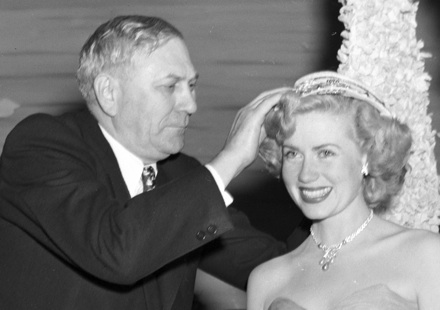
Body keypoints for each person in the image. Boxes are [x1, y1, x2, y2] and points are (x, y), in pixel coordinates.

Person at [0, 15, 291, 310]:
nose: (191, 105)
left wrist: (316, 178)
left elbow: (279, 265)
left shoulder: (183, 175)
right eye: (170, 87)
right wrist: (231, 159)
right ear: (109, 93)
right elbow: (118, 251)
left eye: (191, 85)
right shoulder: (40, 147)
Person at [247, 71, 440, 310]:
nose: (306, 174)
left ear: (367, 156)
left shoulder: (425, 255)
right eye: (293, 154)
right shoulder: (265, 281)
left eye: (325, 153)